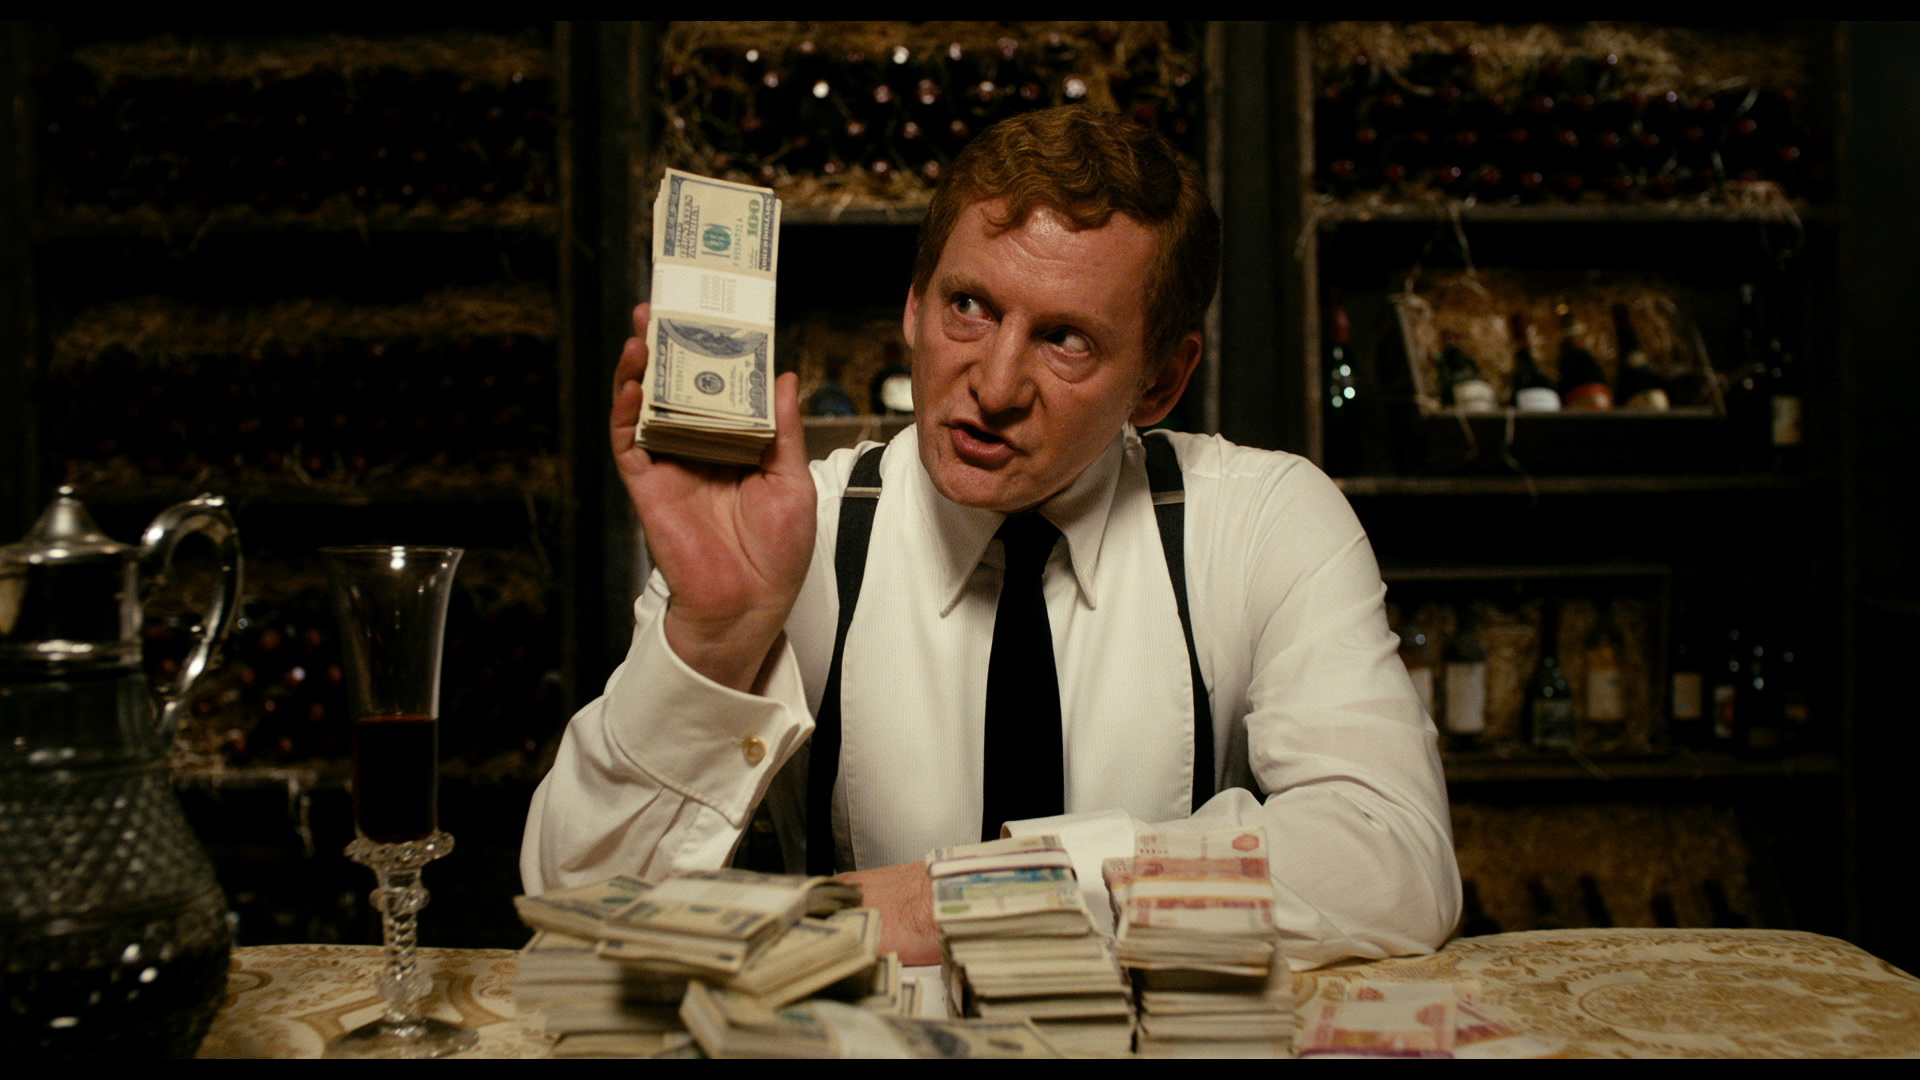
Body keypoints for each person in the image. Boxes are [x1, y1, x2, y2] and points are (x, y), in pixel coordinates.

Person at [522, 105, 1460, 969]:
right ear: (913, 305)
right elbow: (578, 907)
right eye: (969, 306)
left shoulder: (1261, 520)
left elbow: (1393, 864)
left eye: (1067, 339)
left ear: (1162, 383)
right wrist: (718, 635)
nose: (997, 384)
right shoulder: (782, 531)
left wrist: (951, 903)